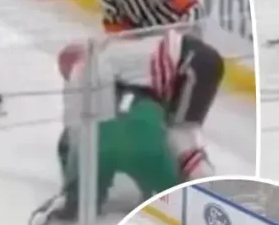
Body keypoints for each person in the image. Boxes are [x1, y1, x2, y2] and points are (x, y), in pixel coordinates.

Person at [56, 29, 223, 180]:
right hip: (198, 59)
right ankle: (200, 177)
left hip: (189, 64)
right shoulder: (111, 50)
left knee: (180, 133)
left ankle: (204, 183)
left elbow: (102, 119)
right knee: (180, 130)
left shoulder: (96, 66)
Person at [26, 90, 182, 225]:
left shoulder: (99, 98)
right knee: (170, 193)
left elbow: (69, 142)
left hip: (100, 145)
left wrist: (71, 178)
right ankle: (159, 199)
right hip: (145, 148)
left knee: (88, 188)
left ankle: (71, 198)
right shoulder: (155, 104)